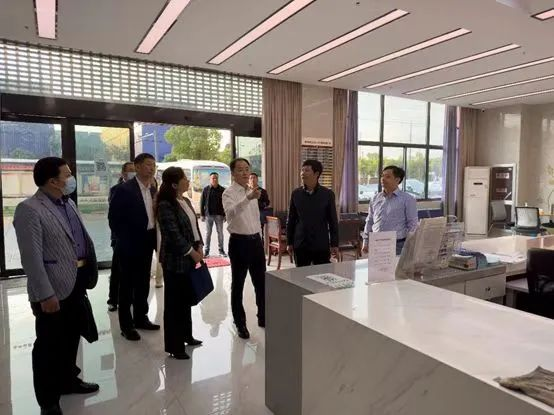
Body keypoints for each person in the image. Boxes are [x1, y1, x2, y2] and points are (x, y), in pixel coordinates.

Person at [13, 157, 100, 415]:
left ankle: (68, 380)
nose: (71, 179)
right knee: (49, 346)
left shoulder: (68, 203)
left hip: (76, 281)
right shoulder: (29, 209)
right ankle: (48, 401)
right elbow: (31, 258)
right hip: (52, 288)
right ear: (53, 181)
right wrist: (45, 294)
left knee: (71, 337)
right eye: (67, 174)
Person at [108, 153, 160, 341]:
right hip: (129, 243)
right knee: (127, 285)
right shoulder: (124, 189)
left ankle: (141, 317)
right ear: (137, 167)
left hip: (147, 240)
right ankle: (126, 325)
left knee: (143, 282)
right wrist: (125, 241)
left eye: (153, 165)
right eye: (147, 165)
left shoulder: (153, 189)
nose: (151, 168)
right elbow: (114, 219)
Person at [156, 167, 204, 360]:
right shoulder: (165, 204)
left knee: (186, 299)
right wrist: (192, 252)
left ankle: (187, 335)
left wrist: (200, 245)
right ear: (175, 184)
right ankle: (175, 346)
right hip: (175, 260)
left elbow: (194, 226)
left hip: (190, 256)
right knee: (174, 304)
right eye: (185, 178)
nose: (188, 181)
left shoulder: (185, 201)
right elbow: (173, 234)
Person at [222, 158, 266, 339]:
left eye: (247, 169)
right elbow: (230, 214)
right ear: (233, 173)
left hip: (256, 242)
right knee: (238, 285)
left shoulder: (251, 191)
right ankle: (240, 323)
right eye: (240, 169)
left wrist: (260, 239)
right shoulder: (228, 193)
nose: (245, 173)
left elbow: (255, 219)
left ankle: (263, 317)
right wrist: (247, 198)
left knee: (261, 283)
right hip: (239, 243)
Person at [287, 159, 339, 267]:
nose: (302, 173)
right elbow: (291, 219)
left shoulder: (327, 194)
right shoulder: (296, 194)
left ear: (316, 174)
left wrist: (334, 243)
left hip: (320, 244)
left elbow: (333, 221)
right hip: (301, 243)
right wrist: (289, 242)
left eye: (306, 170)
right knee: (301, 275)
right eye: (302, 170)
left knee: (322, 274)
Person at [362, 165, 418, 256]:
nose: (383, 179)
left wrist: (409, 245)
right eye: (382, 176)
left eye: (387, 177)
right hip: (377, 243)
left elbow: (412, 224)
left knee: (396, 266)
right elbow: (370, 221)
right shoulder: (375, 198)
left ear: (397, 180)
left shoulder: (408, 199)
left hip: (398, 244)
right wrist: (366, 241)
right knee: (376, 266)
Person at [107, 161, 135, 312]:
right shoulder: (116, 190)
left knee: (133, 271)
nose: (133, 173)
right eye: (130, 170)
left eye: (134, 170)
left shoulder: (143, 189)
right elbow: (114, 217)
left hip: (136, 239)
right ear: (123, 173)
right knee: (118, 270)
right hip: (120, 238)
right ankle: (113, 299)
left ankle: (131, 298)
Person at [200, 172, 226, 257]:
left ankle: (221, 250)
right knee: (208, 233)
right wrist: (202, 214)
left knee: (220, 233)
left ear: (218, 179)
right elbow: (202, 202)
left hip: (219, 215)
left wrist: (225, 214)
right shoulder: (206, 189)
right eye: (213, 178)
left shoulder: (222, 190)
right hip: (209, 215)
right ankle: (206, 251)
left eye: (216, 178)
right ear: (210, 179)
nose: (214, 179)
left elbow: (225, 203)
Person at [249, 172, 271, 237]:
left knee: (260, 233)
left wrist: (258, 203)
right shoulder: (246, 191)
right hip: (248, 215)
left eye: (254, 178)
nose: (252, 180)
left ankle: (261, 243)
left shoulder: (262, 191)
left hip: (259, 214)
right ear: (249, 180)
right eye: (251, 178)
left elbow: (267, 202)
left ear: (257, 179)